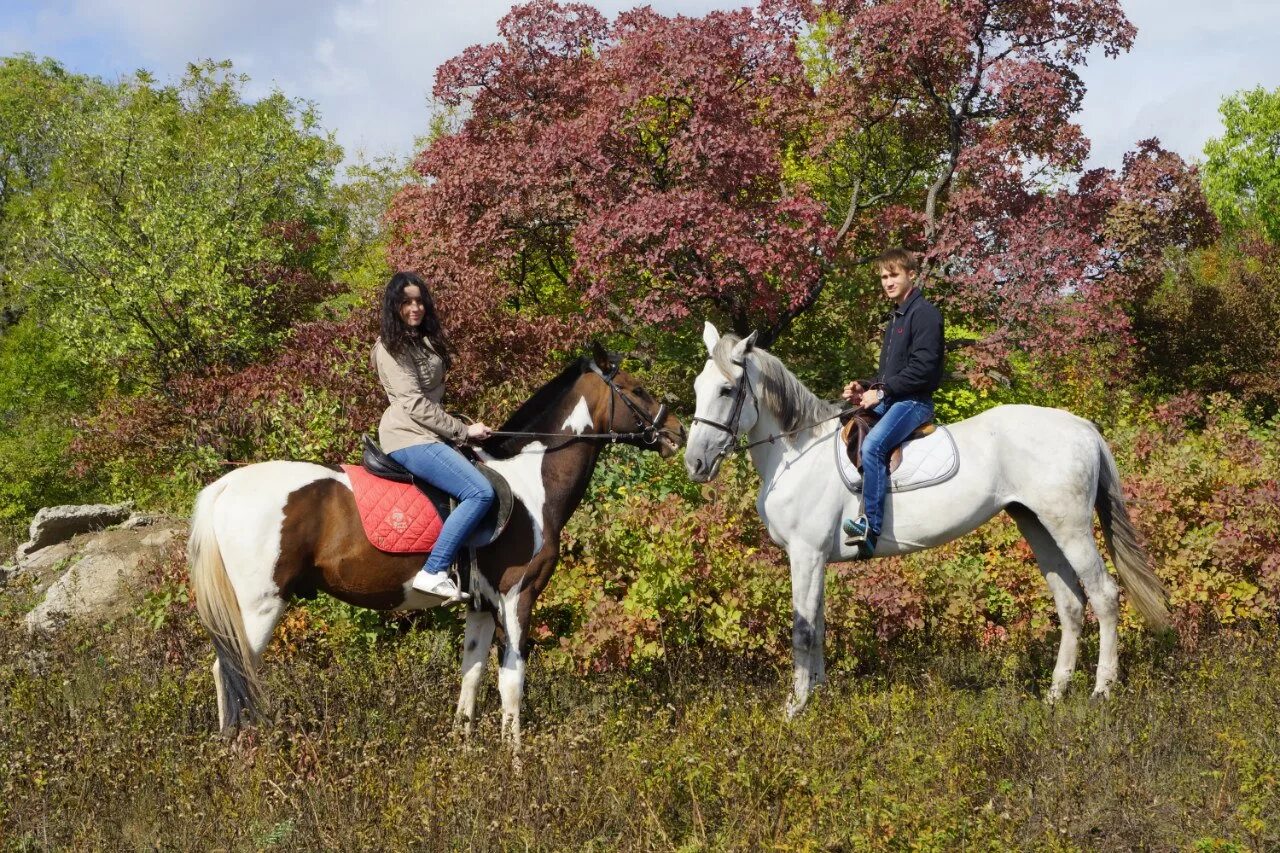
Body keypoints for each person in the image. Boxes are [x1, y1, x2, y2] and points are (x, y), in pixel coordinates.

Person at [372, 271, 494, 602]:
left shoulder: (420, 340)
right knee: (480, 493)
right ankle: (433, 570)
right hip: (408, 436)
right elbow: (413, 403)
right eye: (406, 302)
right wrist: (463, 430)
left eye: (419, 301)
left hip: (430, 434)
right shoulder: (391, 347)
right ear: (394, 306)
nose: (415, 307)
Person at [840, 248, 945, 559]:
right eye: (884, 277)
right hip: (896, 397)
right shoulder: (897, 316)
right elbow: (889, 375)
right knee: (843, 419)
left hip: (914, 403)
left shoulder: (924, 314)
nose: (887, 282)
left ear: (911, 274)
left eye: (893, 275)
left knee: (873, 447)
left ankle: (870, 529)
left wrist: (882, 393)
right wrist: (864, 386)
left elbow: (923, 368)